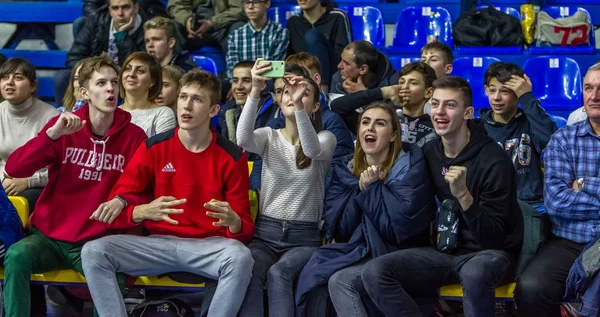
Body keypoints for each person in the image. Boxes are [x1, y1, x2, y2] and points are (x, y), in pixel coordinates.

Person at [81, 68, 254, 317]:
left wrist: (234, 222)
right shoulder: (153, 146)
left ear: (213, 110)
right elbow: (116, 208)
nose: (187, 106)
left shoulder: (232, 156)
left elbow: (244, 230)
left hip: (207, 247)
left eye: (197, 99)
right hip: (156, 245)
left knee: (241, 257)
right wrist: (142, 211)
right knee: (94, 251)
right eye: (183, 97)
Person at [362, 76, 524, 317]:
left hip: (490, 255)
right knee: (375, 271)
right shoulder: (428, 152)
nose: (439, 112)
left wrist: (463, 195)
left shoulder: (494, 161)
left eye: (449, 105)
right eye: (435, 104)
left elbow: (494, 239)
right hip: (444, 253)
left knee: (474, 272)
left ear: (468, 112)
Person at [2, 54, 147, 317]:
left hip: (97, 241)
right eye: (101, 83)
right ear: (84, 92)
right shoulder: (64, 127)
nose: (110, 89)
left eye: (114, 82)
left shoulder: (135, 137)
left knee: (111, 274)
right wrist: (51, 135)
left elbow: (144, 190)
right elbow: (14, 168)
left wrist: (123, 199)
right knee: (17, 255)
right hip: (50, 237)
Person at [295, 102, 436, 317]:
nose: (370, 128)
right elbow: (340, 228)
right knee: (314, 278)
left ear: (392, 135)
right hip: (356, 250)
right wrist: (360, 190)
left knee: (341, 281)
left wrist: (372, 190)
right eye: (365, 123)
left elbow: (400, 229)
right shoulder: (344, 169)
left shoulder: (410, 168)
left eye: (380, 124)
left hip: (400, 253)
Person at [236, 59, 336, 316]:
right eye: (284, 93)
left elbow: (311, 150)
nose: (292, 96)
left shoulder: (326, 138)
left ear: (314, 106)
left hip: (305, 237)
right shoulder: (269, 135)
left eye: (303, 93)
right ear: (279, 103)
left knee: (279, 272)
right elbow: (242, 139)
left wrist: (300, 109)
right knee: (249, 268)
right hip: (265, 232)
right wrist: (256, 90)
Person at [514, 63, 600, 317]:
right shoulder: (563, 139)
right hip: (569, 239)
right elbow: (556, 200)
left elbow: (568, 195)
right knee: (531, 289)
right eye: (588, 88)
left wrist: (584, 184)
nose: (594, 96)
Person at [481, 62, 557, 213]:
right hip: (491, 205)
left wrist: (526, 96)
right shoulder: (478, 128)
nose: (496, 97)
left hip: (532, 204)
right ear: (486, 90)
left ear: (517, 93)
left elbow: (552, 140)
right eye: (492, 90)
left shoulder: (530, 123)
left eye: (505, 91)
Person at [55, 0, 149, 107]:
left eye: (126, 7)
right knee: (61, 77)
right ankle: (65, 114)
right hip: (94, 72)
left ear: (136, 8)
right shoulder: (96, 21)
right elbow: (74, 56)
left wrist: (122, 36)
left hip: (124, 77)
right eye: (115, 8)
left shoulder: (146, 28)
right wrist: (91, 72)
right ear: (109, 10)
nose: (120, 13)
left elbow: (138, 65)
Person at [331, 62, 437, 148]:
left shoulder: (436, 127)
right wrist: (384, 92)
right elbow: (338, 106)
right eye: (401, 82)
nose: (404, 87)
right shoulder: (380, 121)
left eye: (413, 83)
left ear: (428, 92)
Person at [0, 58, 58, 208]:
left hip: (37, 185)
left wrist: (28, 181)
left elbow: (61, 169)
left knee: (19, 201)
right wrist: (3, 178)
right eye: (5, 77)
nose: (9, 83)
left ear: (33, 85)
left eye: (18, 78)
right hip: (4, 180)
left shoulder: (52, 117)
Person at [285, 52, 354, 159]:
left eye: (299, 78)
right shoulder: (277, 119)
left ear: (316, 79)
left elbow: (338, 165)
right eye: (289, 80)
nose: (294, 86)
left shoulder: (332, 120)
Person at [287, 0, 352, 91]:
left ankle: (321, 92)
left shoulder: (338, 16)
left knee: (312, 35)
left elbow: (346, 54)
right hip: (304, 75)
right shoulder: (293, 22)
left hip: (333, 71)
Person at [225, 0, 289, 80]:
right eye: (247, 2)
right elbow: (232, 69)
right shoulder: (235, 36)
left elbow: (273, 70)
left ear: (267, 4)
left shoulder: (280, 32)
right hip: (242, 82)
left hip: (267, 83)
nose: (250, 7)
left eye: (255, 2)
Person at [119, 52, 177, 137]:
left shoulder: (163, 114)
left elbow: (160, 149)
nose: (131, 74)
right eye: (128, 69)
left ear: (152, 82)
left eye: (140, 71)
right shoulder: (111, 113)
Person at [167, 0, 246, 52]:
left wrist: (212, 23)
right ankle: (173, 72)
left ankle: (238, 73)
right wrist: (187, 20)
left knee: (239, 28)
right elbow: (176, 5)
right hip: (192, 29)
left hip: (223, 27)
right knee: (170, 28)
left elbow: (239, 9)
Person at [331, 41, 397, 97]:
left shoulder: (393, 84)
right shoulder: (339, 78)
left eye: (346, 63)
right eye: (341, 60)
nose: (339, 66)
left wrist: (364, 95)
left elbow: (387, 111)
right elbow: (336, 110)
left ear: (363, 69)